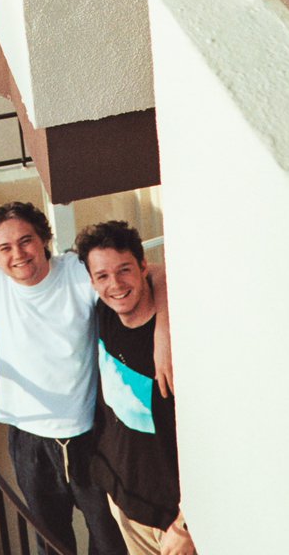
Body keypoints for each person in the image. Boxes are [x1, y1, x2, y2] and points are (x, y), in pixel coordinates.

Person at [0, 201, 172, 555]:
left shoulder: (77, 272)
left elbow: (157, 273)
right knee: (51, 544)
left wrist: (163, 336)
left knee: (109, 543)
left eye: (26, 240)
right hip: (30, 442)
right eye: (5, 247)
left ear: (43, 238)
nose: (18, 254)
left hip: (91, 436)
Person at [75, 221, 195, 555]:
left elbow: (215, 439)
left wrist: (189, 522)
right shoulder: (104, 312)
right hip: (124, 500)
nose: (115, 284)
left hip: (172, 522)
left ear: (142, 267)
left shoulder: (179, 349)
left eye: (124, 270)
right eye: (102, 276)